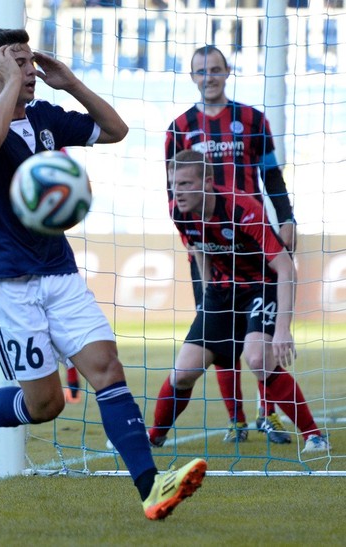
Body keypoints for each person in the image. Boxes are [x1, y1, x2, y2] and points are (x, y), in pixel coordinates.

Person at [0, 28, 206, 521]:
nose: (29, 72)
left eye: (31, 62)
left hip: (58, 271)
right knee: (46, 405)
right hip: (5, 280)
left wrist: (72, 84)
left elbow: (116, 129)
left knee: (107, 368)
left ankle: (151, 487)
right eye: (17, 63)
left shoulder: (45, 118)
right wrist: (11, 87)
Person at [147, 150, 329, 454]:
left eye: (185, 184)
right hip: (221, 292)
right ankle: (153, 437)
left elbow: (285, 267)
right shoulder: (178, 211)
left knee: (257, 359)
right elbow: (199, 249)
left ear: (206, 182)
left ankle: (314, 436)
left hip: (261, 286)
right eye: (174, 184)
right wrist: (207, 299)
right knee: (183, 374)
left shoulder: (243, 208)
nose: (177, 192)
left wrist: (282, 329)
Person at [165, 45, 295, 444]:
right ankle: (236, 419)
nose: (210, 77)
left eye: (216, 69)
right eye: (201, 71)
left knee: (260, 333)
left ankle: (266, 415)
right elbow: (171, 190)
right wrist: (189, 235)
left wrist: (286, 218)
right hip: (208, 243)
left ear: (227, 72)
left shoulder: (253, 120)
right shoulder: (179, 127)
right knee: (217, 333)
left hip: (252, 238)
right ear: (192, 77)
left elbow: (271, 177)